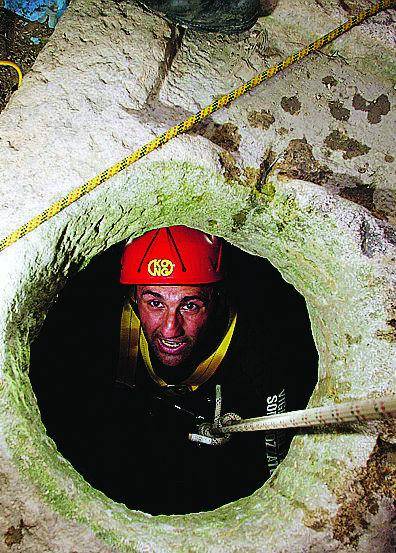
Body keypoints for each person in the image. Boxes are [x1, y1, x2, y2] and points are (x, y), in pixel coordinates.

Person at [95, 225, 306, 515]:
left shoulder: (261, 357)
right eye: (155, 303)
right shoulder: (100, 332)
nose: (170, 329)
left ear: (216, 302)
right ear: (133, 298)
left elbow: (274, 465)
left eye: (190, 306)